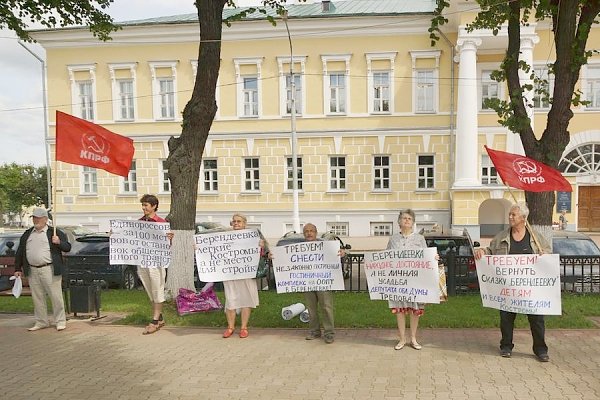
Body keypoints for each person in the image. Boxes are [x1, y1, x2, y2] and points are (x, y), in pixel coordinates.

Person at [474, 202, 552, 362]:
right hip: (508, 289)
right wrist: (482, 251)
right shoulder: (502, 236)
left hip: (531, 291)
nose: (510, 217)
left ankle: (540, 350)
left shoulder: (536, 237)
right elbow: (490, 251)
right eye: (510, 214)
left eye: (513, 214)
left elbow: (548, 252)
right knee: (506, 319)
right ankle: (506, 346)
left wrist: (545, 254)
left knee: (537, 320)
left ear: (523, 218)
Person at [14, 207, 71, 332]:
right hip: (33, 270)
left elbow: (67, 248)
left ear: (45, 219)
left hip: (49, 269)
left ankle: (60, 321)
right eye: (34, 218)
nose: (35, 220)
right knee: (37, 297)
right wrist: (17, 268)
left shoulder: (54, 233)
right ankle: (41, 321)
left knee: (55, 296)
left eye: (38, 218)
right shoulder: (28, 234)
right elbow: (20, 251)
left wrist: (59, 242)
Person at [386, 209, 431, 351]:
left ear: (413, 222)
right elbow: (387, 256)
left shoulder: (419, 239)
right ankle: (402, 338)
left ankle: (413, 338)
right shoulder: (393, 239)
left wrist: (433, 258)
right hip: (398, 280)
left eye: (409, 218)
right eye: (404, 218)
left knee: (414, 309)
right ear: (399, 221)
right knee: (399, 309)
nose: (406, 220)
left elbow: (426, 256)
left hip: (415, 280)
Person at [222, 213, 265, 339]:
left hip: (246, 273)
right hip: (230, 273)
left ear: (244, 224)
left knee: (246, 299)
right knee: (230, 299)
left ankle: (243, 328)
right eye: (234, 221)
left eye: (239, 221)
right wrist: (200, 248)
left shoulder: (252, 237)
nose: (236, 223)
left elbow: (259, 254)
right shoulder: (225, 237)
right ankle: (230, 327)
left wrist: (260, 246)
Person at [302, 223, 345, 344]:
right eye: (306, 231)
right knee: (311, 308)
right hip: (307, 282)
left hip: (323, 282)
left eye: (311, 231)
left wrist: (342, 253)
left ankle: (329, 333)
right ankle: (314, 331)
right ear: (303, 233)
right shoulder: (298, 248)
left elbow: (339, 253)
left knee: (326, 307)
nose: (309, 233)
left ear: (316, 232)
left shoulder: (326, 246)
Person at [137, 194, 174, 335]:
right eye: (143, 205)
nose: (143, 208)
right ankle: (159, 317)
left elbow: (166, 245)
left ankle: (154, 320)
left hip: (156, 262)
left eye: (146, 205)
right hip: (143, 261)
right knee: (149, 289)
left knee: (157, 289)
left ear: (154, 206)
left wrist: (168, 239)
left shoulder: (161, 223)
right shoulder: (139, 222)